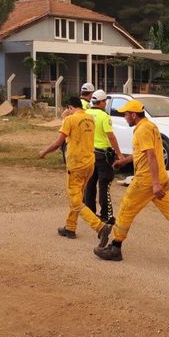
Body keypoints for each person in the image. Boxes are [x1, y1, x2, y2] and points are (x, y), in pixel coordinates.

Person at [93, 99, 169, 262]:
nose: (125, 117)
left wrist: (154, 184)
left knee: (126, 208)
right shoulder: (149, 126)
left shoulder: (142, 130)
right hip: (160, 177)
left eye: (126, 114)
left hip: (146, 180)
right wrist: (124, 161)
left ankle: (115, 247)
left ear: (134, 115)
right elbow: (143, 153)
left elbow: (151, 156)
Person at [40, 96, 113, 245]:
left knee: (75, 200)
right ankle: (70, 227)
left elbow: (58, 142)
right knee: (78, 195)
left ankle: (100, 227)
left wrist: (44, 152)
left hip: (76, 164)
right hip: (89, 163)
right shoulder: (90, 118)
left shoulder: (70, 119)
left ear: (70, 107)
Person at [84, 89, 124, 224]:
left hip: (89, 154)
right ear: (100, 102)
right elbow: (110, 136)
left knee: (90, 184)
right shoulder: (104, 116)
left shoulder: (86, 114)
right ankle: (106, 215)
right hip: (103, 156)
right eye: (105, 101)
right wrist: (119, 154)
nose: (106, 103)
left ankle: (90, 213)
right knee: (104, 185)